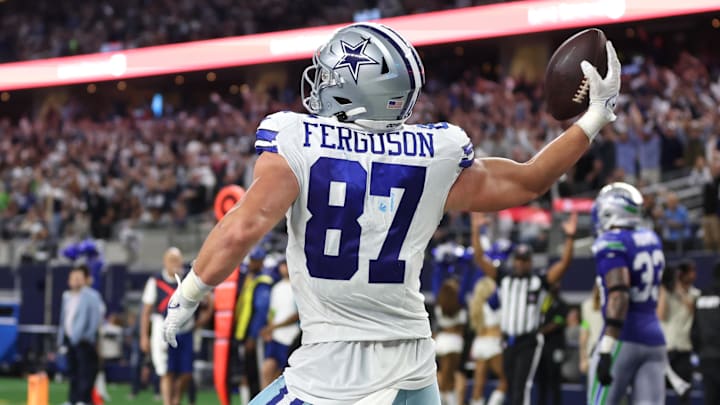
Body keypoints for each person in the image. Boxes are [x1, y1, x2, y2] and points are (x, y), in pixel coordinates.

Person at [163, 22, 621, 404]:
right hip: (415, 364)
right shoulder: (432, 154)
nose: (321, 85)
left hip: (334, 369)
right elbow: (530, 179)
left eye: (330, 77)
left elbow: (242, 227)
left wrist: (189, 292)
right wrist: (595, 116)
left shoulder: (296, 140)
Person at [473, 212, 577, 405]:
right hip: (507, 341)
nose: (520, 263)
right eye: (518, 260)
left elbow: (564, 264)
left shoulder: (539, 281)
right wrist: (476, 229)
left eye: (524, 260)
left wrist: (570, 237)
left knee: (522, 386)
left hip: (528, 341)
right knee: (510, 385)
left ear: (530, 262)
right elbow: (479, 258)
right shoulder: (504, 278)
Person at [588, 182, 667, 405]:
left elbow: (619, 295)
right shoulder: (652, 238)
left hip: (623, 337)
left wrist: (606, 349)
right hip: (654, 339)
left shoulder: (611, 242)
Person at [140, 247, 194, 405]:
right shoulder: (155, 281)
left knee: (186, 372)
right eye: (172, 260)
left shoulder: (188, 280)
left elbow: (206, 302)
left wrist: (199, 321)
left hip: (185, 330)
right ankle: (168, 402)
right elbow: (146, 311)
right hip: (163, 330)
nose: (175, 264)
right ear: (165, 262)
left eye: (178, 260)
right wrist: (144, 336)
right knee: (166, 370)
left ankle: (176, 398)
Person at [468, 213, 506, 405]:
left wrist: (476, 229)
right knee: (505, 382)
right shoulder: (495, 298)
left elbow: (478, 258)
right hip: (493, 342)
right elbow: (480, 258)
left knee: (478, 386)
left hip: (479, 344)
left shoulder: (478, 302)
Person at [56, 264, 103, 405]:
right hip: (70, 340)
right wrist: (62, 339)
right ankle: (72, 399)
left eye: (78, 278)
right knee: (73, 373)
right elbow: (63, 319)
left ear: (84, 280)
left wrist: (88, 336)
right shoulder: (66, 296)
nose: (75, 281)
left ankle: (84, 400)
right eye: (73, 278)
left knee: (85, 373)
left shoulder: (92, 296)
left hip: (84, 341)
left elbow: (95, 319)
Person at [233, 246, 273, 402]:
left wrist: (252, 336)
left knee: (256, 374)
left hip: (253, 336)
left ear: (261, 262)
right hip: (243, 332)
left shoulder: (263, 281)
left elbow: (261, 311)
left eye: (255, 261)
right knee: (248, 374)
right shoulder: (250, 279)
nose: (252, 263)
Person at [658, 260, 700, 405]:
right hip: (666, 350)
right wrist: (664, 289)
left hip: (684, 350)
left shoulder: (695, 294)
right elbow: (661, 315)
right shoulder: (666, 294)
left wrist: (680, 290)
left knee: (684, 394)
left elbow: (694, 311)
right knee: (659, 392)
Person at [260, 259, 300, 389]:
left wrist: (275, 326)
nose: (284, 268)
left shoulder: (298, 287)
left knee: (282, 376)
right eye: (282, 265)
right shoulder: (276, 288)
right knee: (267, 369)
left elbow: (297, 315)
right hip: (276, 337)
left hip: (292, 337)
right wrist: (270, 328)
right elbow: (272, 311)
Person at [691, 261, 720, 405]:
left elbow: (694, 331)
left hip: (706, 358)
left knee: (710, 398)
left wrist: (700, 351)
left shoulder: (701, 297)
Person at [433, 278, 466, 405]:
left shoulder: (439, 305)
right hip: (454, 343)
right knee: (449, 379)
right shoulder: (460, 305)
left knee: (443, 377)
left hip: (441, 342)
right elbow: (461, 329)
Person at [536, 281, 569, 405]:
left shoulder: (562, 304)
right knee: (541, 382)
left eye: (557, 284)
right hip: (541, 348)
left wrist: (539, 332)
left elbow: (558, 322)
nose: (556, 286)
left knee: (555, 381)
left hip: (555, 347)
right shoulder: (542, 303)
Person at [579, 285, 603, 383]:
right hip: (595, 354)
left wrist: (583, 359)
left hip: (597, 354)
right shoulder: (587, 306)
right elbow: (584, 334)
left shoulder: (586, 305)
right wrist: (583, 359)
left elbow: (584, 335)